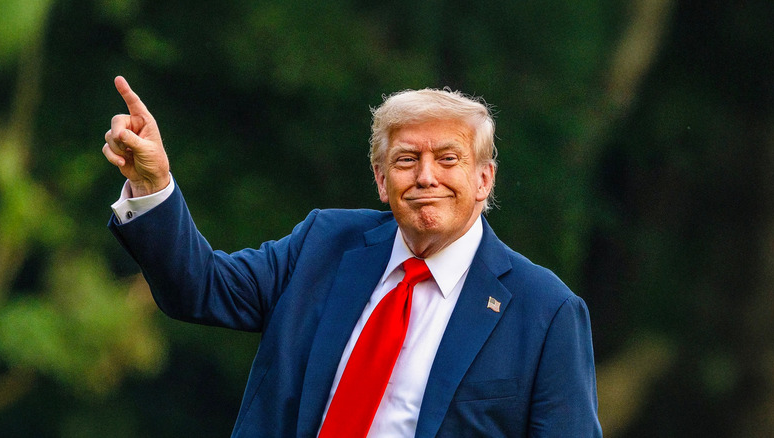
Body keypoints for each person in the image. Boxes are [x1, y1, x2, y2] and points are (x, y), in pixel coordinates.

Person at [103, 76, 602, 437]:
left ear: (483, 180)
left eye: (448, 159)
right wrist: (152, 186)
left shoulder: (545, 311)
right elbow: (201, 287)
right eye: (407, 160)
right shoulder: (325, 242)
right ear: (382, 181)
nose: (426, 176)